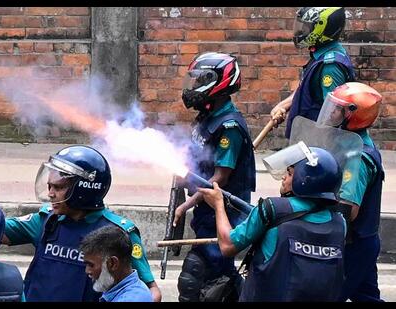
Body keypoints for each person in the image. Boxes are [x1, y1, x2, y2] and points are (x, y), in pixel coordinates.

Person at [2, 145, 161, 302]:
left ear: (84, 189)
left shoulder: (118, 233)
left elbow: (151, 291)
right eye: (49, 186)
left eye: (58, 187)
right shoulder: (47, 221)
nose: (50, 194)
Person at [199, 142, 347, 301]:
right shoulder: (340, 223)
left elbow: (228, 245)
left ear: (306, 180)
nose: (284, 177)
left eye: (290, 174)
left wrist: (218, 205)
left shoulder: (272, 208)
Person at [173, 52, 256, 302]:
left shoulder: (228, 127)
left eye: (201, 80)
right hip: (206, 211)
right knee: (217, 278)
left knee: (201, 278)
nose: (195, 86)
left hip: (224, 212)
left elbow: (219, 179)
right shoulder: (208, 117)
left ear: (219, 83)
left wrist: (186, 204)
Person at [315, 82, 385, 302]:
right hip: (364, 239)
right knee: (366, 296)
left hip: (352, 243)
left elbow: (348, 209)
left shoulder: (357, 156)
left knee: (329, 295)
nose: (332, 112)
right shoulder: (351, 142)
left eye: (338, 109)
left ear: (355, 115)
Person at [270, 7, 355, 138]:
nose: (300, 31)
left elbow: (333, 115)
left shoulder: (330, 66)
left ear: (322, 28)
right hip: (308, 136)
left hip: (319, 143)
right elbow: (307, 89)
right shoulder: (322, 54)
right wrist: (283, 105)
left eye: (306, 27)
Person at [80, 225, 153, 302]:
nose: (87, 271)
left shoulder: (131, 298)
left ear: (112, 263)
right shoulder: (117, 289)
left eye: (91, 265)